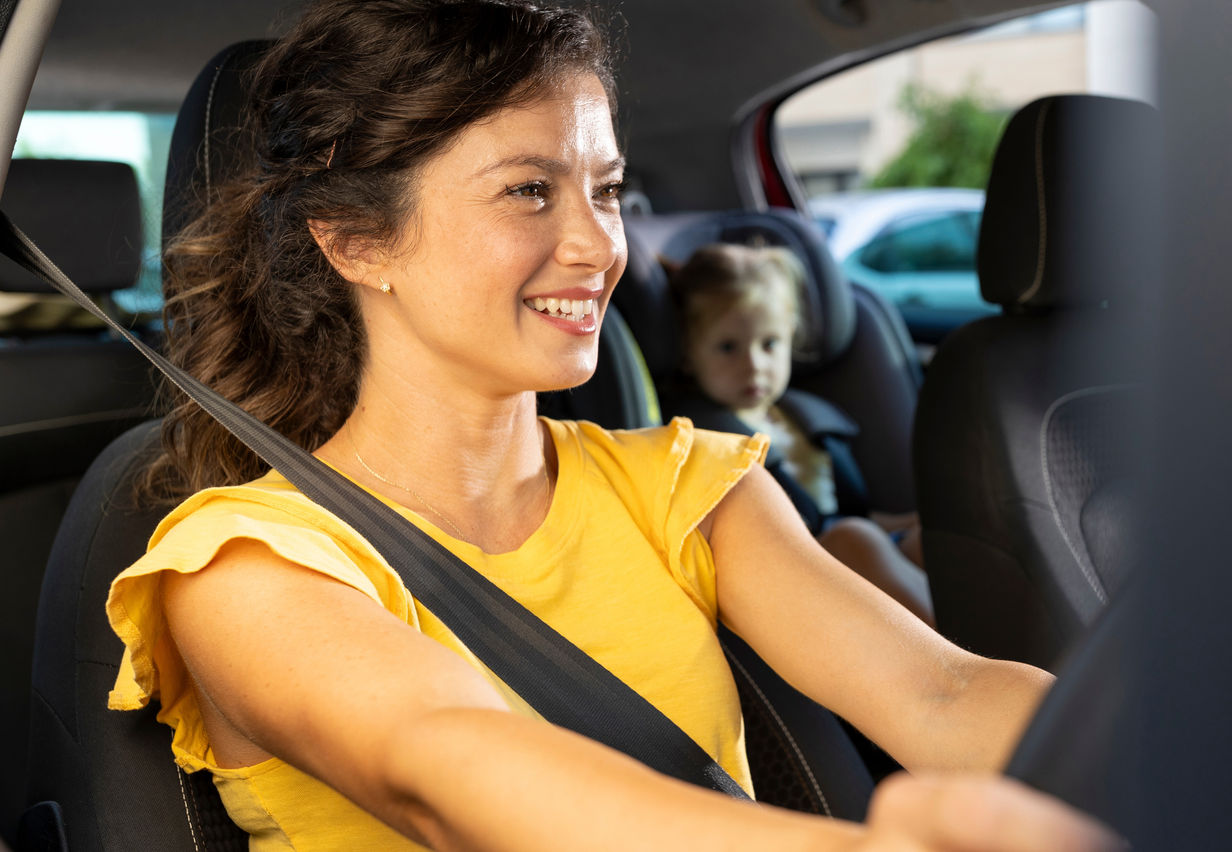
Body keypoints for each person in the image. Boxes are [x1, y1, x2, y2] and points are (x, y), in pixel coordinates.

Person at [104, 1, 1122, 849]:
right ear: (356, 242)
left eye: (606, 190)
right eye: (528, 192)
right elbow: (449, 770)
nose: (597, 245)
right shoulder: (242, 565)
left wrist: (1167, 767)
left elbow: (940, 694)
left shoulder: (688, 488)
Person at [667, 243, 933, 625]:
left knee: (925, 537)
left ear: (791, 335)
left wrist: (905, 523)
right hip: (791, 579)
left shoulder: (797, 417)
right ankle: (960, 649)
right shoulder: (698, 438)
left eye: (769, 344)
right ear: (689, 352)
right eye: (728, 347)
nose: (754, 365)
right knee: (855, 538)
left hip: (847, 550)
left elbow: (838, 511)